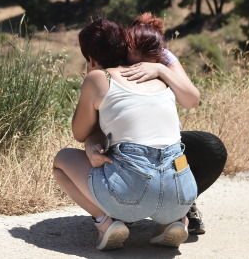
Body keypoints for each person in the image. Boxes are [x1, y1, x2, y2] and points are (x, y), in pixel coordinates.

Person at [52, 15, 199, 251]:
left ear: (90, 58)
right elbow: (192, 99)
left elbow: (79, 133)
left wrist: (91, 76)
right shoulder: (157, 74)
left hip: (129, 197)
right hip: (183, 195)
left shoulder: (98, 78)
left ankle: (105, 222)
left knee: (61, 161)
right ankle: (175, 219)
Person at [85, 19, 228, 235]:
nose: (141, 63)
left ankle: (181, 206)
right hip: (122, 148)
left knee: (212, 148)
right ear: (125, 48)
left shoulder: (162, 59)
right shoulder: (110, 62)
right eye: (135, 57)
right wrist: (90, 144)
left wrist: (161, 70)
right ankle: (121, 208)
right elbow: (90, 123)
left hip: (166, 147)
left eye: (151, 57)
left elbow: (192, 100)